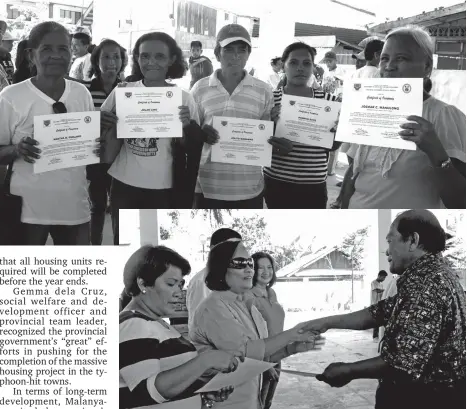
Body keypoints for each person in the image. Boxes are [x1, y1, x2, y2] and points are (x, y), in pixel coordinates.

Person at [300, 209, 466, 409]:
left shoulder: (427, 285)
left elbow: (402, 364)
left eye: (390, 241)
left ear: (412, 240)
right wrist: (326, 322)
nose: (387, 251)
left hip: (423, 399)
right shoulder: (431, 276)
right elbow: (377, 313)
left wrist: (348, 370)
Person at [0, 21, 104, 245]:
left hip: (74, 205)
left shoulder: (80, 93)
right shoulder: (11, 96)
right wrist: (17, 149)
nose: (56, 56)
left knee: (76, 273)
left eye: (63, 49)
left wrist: (96, 145)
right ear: (31, 54)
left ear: (71, 52)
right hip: (27, 210)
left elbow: (90, 145)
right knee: (28, 272)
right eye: (46, 49)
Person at [190, 238, 325, 409]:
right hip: (226, 403)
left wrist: (292, 348)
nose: (248, 269)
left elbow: (258, 359)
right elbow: (247, 354)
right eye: (239, 263)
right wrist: (291, 334)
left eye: (249, 263)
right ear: (221, 267)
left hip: (251, 400)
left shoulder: (246, 305)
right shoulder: (213, 308)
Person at [344, 25, 465, 209]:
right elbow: (354, 172)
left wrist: (435, 151)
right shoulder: (371, 107)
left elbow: (459, 202)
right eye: (384, 58)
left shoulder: (444, 115)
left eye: (402, 58)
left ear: (426, 66)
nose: (389, 66)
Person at [101, 32, 204, 244]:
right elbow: (101, 131)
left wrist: (185, 127)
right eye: (145, 56)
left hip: (164, 186)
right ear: (137, 58)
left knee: (158, 244)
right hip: (124, 182)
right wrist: (104, 121)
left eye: (159, 56)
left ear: (172, 60)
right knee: (124, 242)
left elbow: (191, 146)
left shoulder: (184, 98)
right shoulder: (123, 91)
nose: (151, 62)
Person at [120, 245, 239, 409]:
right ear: (143, 284)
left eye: (180, 284)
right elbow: (144, 393)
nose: (179, 292)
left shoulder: (157, 323)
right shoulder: (132, 324)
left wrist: (201, 394)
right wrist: (206, 360)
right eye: (171, 284)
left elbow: (169, 381)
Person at [191, 24, 274, 209]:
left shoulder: (264, 90)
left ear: (248, 55)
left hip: (249, 187)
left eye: (241, 50)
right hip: (207, 185)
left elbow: (266, 135)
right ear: (217, 53)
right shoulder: (200, 88)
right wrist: (201, 132)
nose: (235, 56)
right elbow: (190, 133)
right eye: (228, 49)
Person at [263, 42, 341, 209]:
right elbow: (259, 142)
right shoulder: (270, 100)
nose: (300, 68)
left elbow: (332, 145)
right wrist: (271, 126)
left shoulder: (329, 102)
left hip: (313, 185)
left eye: (306, 63)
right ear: (283, 66)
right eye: (293, 63)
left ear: (313, 67)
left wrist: (340, 131)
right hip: (276, 182)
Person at [82, 39, 128, 245]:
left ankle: (119, 247)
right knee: (97, 206)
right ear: (96, 61)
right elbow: (77, 125)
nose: (112, 62)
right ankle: (95, 248)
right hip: (96, 157)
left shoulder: (130, 89)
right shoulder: (85, 90)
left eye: (116, 56)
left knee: (120, 208)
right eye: (106, 57)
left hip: (123, 158)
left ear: (123, 61)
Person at [244, 252, 285, 409]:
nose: (266, 272)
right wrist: (265, 364)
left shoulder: (272, 293)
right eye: (260, 267)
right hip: (261, 358)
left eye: (269, 267)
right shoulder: (248, 295)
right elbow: (250, 333)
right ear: (252, 270)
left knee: (267, 402)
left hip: (277, 355)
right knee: (257, 402)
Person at [186, 228, 242, 333]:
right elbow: (197, 322)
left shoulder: (235, 278)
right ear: (213, 249)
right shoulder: (201, 281)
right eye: (229, 246)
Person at [370, 270, 387, 342]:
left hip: (380, 304)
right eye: (383, 277)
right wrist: (385, 290)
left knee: (380, 320)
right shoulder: (373, 282)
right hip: (374, 304)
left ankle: (380, 336)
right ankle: (375, 337)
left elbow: (381, 293)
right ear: (379, 276)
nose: (384, 279)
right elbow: (377, 290)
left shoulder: (381, 284)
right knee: (375, 321)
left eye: (385, 278)